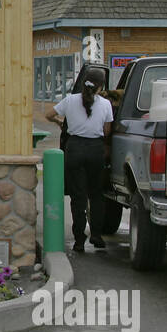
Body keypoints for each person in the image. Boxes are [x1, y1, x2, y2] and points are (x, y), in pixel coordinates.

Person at [45, 76, 114, 253]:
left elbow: (48, 114)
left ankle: (79, 240)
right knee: (96, 194)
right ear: (100, 88)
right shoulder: (106, 104)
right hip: (95, 150)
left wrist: (60, 122)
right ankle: (97, 235)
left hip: (74, 148)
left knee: (78, 197)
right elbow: (107, 131)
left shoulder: (70, 100)